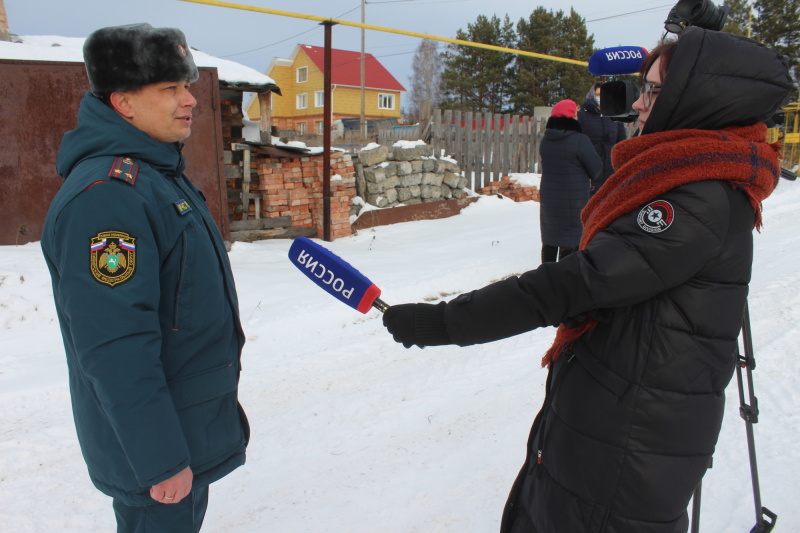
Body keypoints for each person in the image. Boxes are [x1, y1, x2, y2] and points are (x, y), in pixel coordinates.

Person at [382, 27, 791, 533]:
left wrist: (445, 322)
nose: (639, 103)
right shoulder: (688, 175)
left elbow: (578, 282)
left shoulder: (695, 198)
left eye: (655, 90)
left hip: (630, 439)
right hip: (626, 417)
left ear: (697, 100)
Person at [41, 23, 249, 533]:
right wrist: (159, 457)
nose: (190, 100)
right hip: (158, 445)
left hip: (182, 425)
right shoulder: (109, 196)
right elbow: (114, 343)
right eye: (169, 89)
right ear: (124, 102)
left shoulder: (154, 176)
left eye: (187, 85)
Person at [538, 99, 601, 263]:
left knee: (550, 237)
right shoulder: (580, 140)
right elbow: (596, 168)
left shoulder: (545, 140)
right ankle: (564, 278)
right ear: (572, 116)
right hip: (574, 198)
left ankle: (545, 275)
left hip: (550, 197)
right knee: (571, 240)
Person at [578, 80, 627, 194]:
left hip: (611, 168)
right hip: (590, 168)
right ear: (592, 95)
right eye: (599, 94)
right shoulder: (582, 115)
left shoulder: (615, 116)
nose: (602, 97)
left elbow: (621, 142)